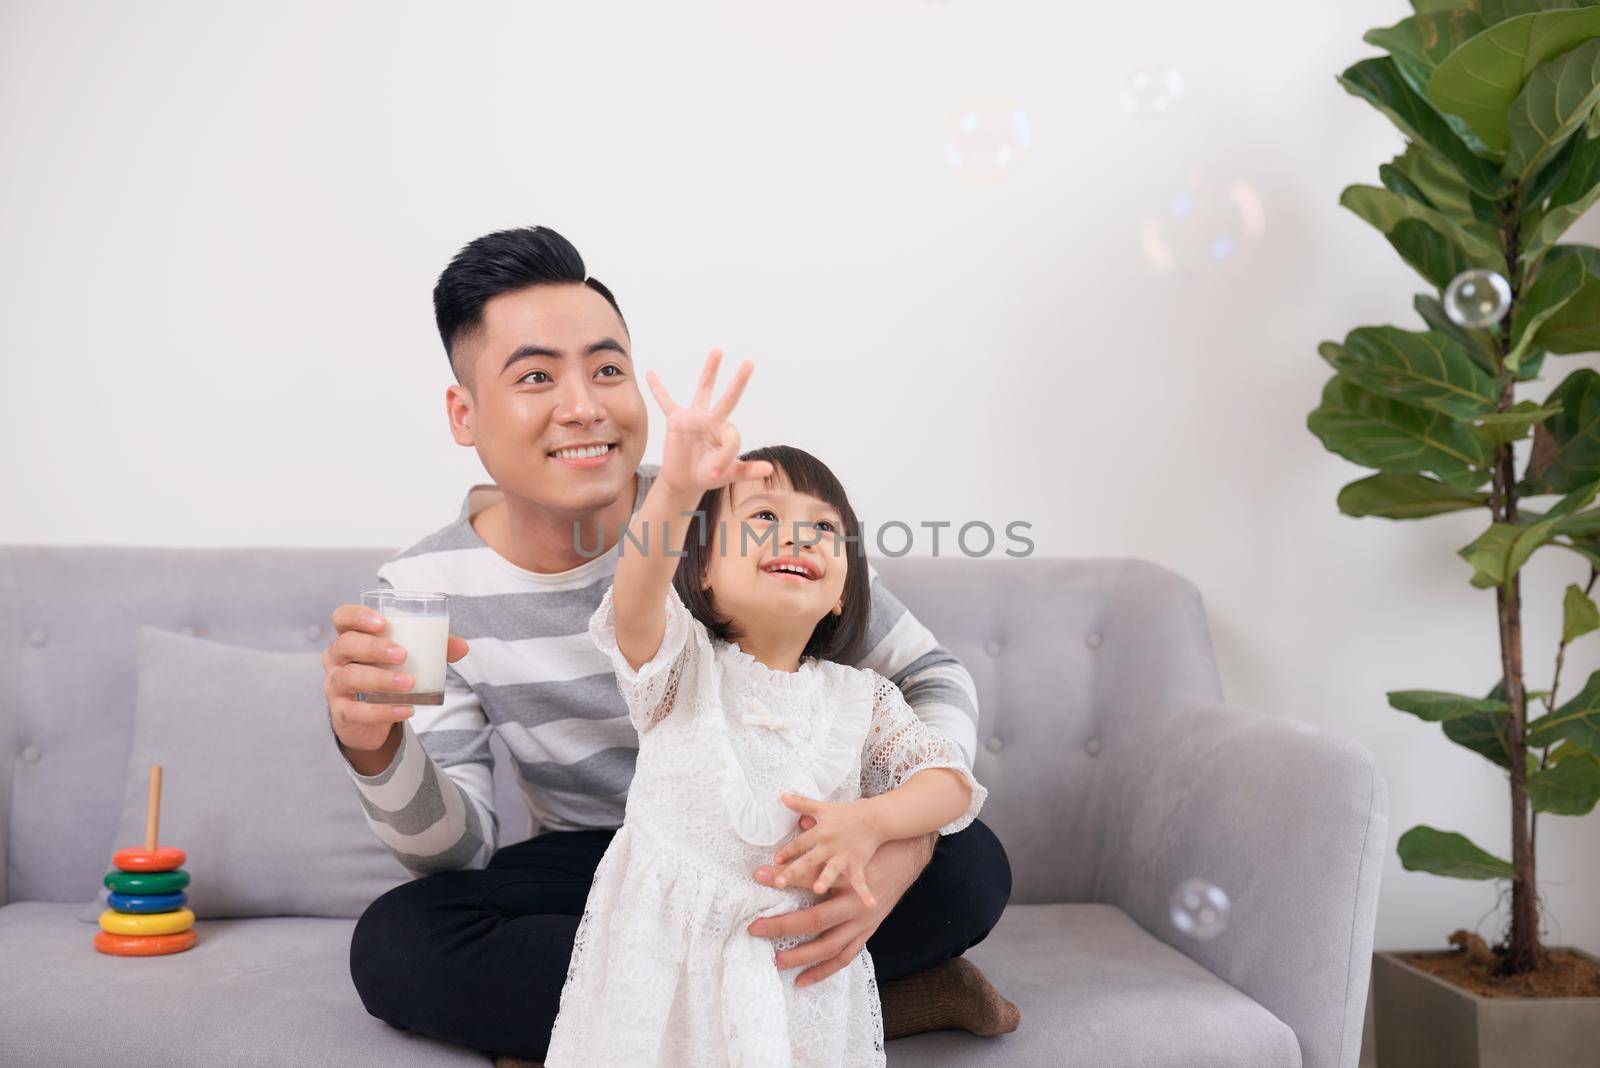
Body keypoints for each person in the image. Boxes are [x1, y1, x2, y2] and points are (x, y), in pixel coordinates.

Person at [321, 226, 1017, 1063]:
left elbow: (930, 678)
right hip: (601, 866)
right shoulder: (424, 592)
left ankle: (579, 1026)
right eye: (537, 376)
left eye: (608, 369)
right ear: (464, 412)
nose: (585, 405)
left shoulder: (728, 515)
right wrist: (375, 749)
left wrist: (889, 845)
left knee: (970, 865)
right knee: (398, 940)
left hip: (776, 856)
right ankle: (872, 1002)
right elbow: (459, 850)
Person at [544, 352, 989, 1067]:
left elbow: (947, 785)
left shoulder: (859, 699)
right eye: (762, 517)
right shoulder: (681, 667)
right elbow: (634, 597)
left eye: (823, 529)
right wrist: (682, 485)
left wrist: (872, 822)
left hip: (797, 968)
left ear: (845, 589)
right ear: (706, 573)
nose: (797, 536)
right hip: (662, 963)